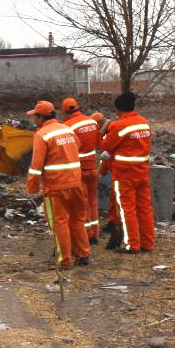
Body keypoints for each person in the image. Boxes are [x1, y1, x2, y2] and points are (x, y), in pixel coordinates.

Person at [24, 100, 89, 269]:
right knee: (77, 220)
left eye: (34, 117)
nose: (34, 121)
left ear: (41, 117)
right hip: (76, 183)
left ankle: (65, 260)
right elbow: (78, 145)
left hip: (56, 187)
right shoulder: (67, 129)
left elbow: (36, 166)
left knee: (59, 223)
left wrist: (31, 187)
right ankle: (83, 254)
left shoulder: (41, 135)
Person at [101, 92, 154, 253]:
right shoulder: (143, 123)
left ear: (118, 109)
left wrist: (105, 130)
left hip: (125, 175)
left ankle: (133, 245)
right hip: (143, 172)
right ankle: (147, 243)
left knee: (127, 210)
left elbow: (106, 147)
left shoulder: (119, 126)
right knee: (145, 208)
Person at [61, 98, 102, 244]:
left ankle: (87, 234)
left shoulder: (67, 127)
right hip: (92, 168)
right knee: (93, 201)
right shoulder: (91, 122)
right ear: (78, 107)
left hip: (79, 170)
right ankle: (95, 233)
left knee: (81, 204)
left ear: (64, 111)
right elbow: (99, 143)